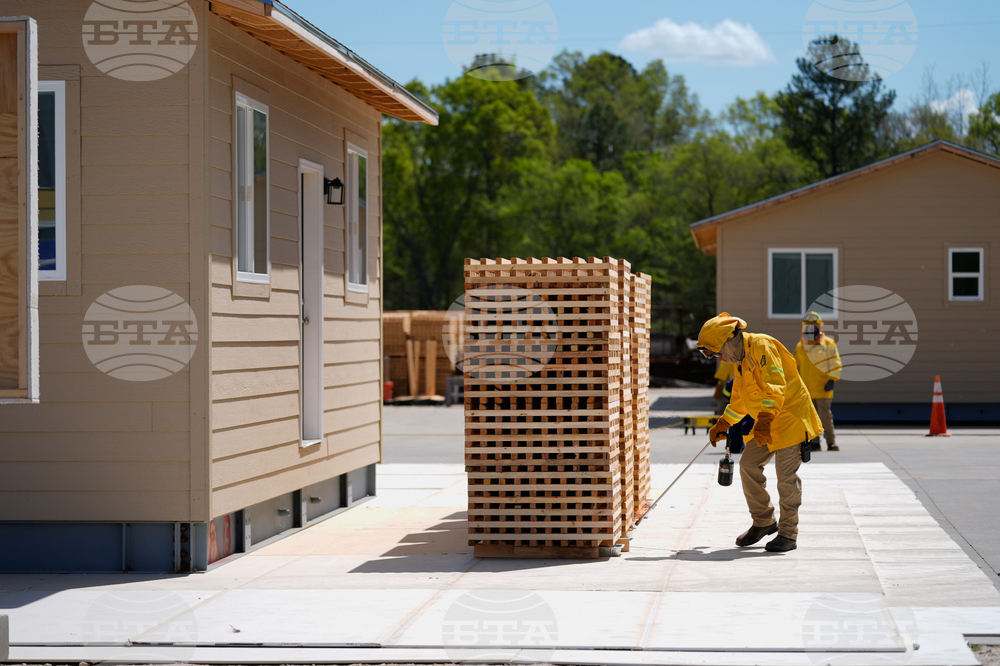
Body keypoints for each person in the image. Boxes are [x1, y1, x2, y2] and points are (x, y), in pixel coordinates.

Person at [697, 313, 823, 553]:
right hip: (767, 424)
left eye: (717, 352)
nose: (719, 358)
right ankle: (764, 521)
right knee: (748, 466)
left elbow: (776, 386)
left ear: (730, 340)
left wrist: (764, 419)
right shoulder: (741, 361)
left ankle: (788, 534)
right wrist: (724, 422)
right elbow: (741, 400)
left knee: (786, 479)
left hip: (790, 421)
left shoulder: (761, 346)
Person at [794, 311, 842, 452]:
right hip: (806, 390)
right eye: (808, 327)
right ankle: (815, 443)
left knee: (825, 416)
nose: (811, 329)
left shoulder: (828, 343)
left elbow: (835, 363)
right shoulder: (801, 345)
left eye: (814, 326)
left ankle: (831, 442)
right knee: (810, 418)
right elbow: (794, 366)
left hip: (823, 388)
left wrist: (832, 380)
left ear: (819, 327)